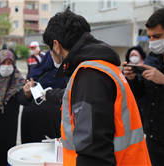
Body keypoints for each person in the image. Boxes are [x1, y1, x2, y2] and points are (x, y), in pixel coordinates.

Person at [37, 7, 151, 166]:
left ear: (56, 45)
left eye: (49, 49)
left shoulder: (89, 75)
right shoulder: (101, 68)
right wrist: (48, 94)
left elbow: (94, 153)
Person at [122, 8, 164, 166]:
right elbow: (140, 93)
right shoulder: (152, 59)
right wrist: (132, 79)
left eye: (157, 36)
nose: (152, 41)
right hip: (152, 139)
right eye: (149, 37)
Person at [21, 51, 66, 143]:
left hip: (29, 115)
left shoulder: (35, 71)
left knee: (30, 149)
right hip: (52, 118)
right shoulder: (64, 74)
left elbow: (24, 96)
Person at [125, 45, 147, 123]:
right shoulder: (126, 69)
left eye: (136, 55)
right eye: (132, 55)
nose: (133, 57)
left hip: (142, 104)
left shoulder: (146, 67)